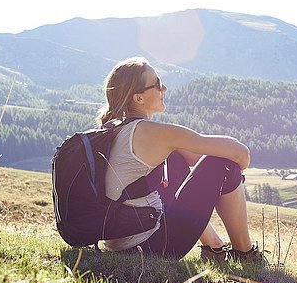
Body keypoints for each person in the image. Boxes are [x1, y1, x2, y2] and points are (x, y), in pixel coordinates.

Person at [97, 57, 263, 263]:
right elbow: (240, 154)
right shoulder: (150, 132)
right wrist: (234, 174)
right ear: (138, 98)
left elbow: (193, 157)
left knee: (173, 160)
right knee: (225, 165)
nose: (164, 88)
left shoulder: (112, 130)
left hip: (122, 244)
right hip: (150, 246)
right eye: (157, 84)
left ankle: (215, 248)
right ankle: (246, 254)